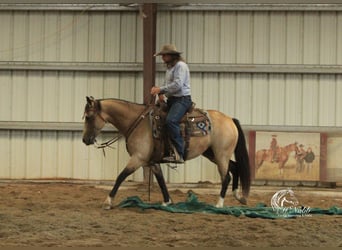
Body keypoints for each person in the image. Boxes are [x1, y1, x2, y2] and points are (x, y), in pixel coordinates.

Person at [150, 44, 192, 163]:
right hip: (173, 99)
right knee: (156, 117)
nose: (163, 57)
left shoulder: (181, 66)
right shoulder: (170, 67)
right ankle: (164, 148)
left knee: (171, 121)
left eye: (164, 55)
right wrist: (163, 94)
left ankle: (179, 152)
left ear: (172, 55)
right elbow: (170, 85)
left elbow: (178, 85)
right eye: (162, 55)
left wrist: (160, 90)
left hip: (182, 99)